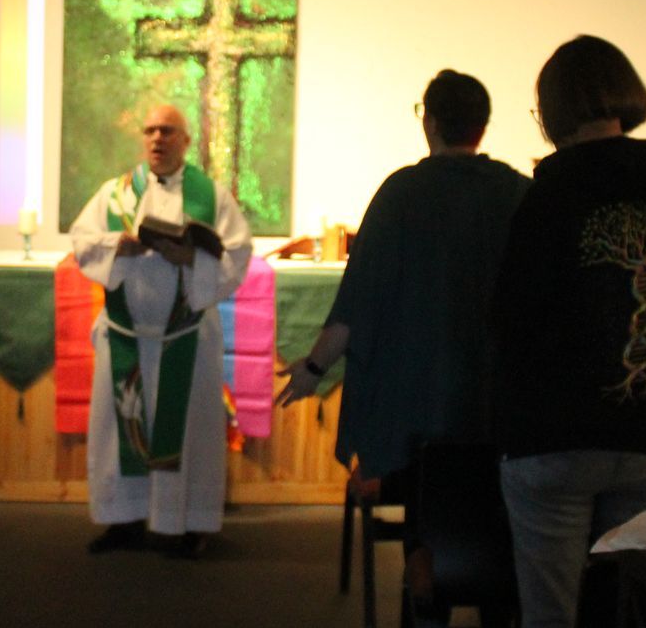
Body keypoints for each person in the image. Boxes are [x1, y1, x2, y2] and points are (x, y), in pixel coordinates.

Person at [492, 36, 646, 628]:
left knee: (555, 627)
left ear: (550, 113)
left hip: (554, 438)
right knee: (641, 624)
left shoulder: (546, 198)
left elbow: (509, 319)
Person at [277, 70, 529, 488]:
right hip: (491, 411)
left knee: (417, 491)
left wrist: (314, 368)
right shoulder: (517, 192)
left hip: (412, 412)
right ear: (482, 127)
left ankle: (420, 551)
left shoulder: (400, 194)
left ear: (429, 122)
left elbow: (358, 301)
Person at [70, 104, 253, 558]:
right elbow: (82, 241)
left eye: (168, 131)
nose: (157, 138)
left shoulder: (211, 197)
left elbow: (238, 254)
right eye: (150, 130)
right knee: (119, 432)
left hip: (184, 338)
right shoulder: (114, 195)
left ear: (186, 141)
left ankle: (187, 524)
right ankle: (122, 521)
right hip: (125, 336)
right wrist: (121, 246)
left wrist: (191, 259)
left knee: (190, 430)